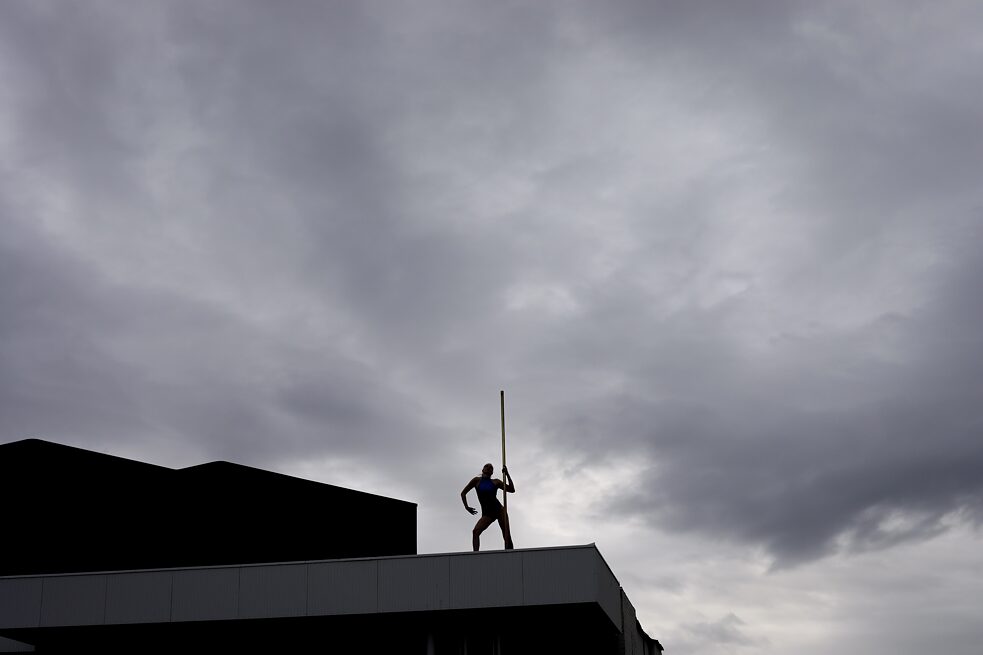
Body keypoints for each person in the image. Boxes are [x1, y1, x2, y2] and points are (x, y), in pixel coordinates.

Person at [461, 463, 515, 551]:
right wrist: (466, 507)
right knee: (475, 532)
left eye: (491, 468)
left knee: (506, 534)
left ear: (492, 472)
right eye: (487, 466)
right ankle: (475, 555)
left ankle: (512, 554)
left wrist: (507, 474)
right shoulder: (476, 480)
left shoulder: (496, 482)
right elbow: (463, 493)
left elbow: (512, 490)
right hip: (487, 513)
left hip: (499, 510)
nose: (489, 468)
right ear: (482, 470)